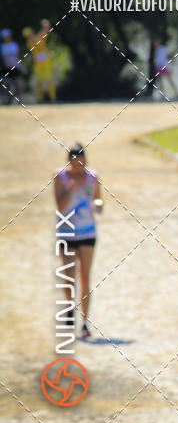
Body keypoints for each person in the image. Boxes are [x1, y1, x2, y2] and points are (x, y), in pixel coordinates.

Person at [54, 143, 102, 338]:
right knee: (68, 278)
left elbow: (99, 201)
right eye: (74, 165)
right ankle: (68, 310)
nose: (78, 169)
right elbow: (60, 205)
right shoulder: (60, 177)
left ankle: (84, 322)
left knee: (85, 278)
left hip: (88, 233)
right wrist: (72, 186)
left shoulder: (93, 177)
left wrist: (98, 206)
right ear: (69, 163)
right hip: (66, 233)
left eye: (81, 164)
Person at [26, 20, 56, 102]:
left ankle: (53, 99)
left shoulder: (39, 37)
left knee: (49, 81)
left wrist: (46, 26)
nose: (29, 35)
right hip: (38, 64)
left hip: (46, 62)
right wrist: (44, 27)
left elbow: (46, 32)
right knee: (39, 82)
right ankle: (40, 99)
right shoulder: (29, 42)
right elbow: (36, 39)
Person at [1, 29, 23, 103]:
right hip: (5, 68)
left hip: (15, 67)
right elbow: (3, 58)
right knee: (6, 83)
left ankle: (19, 100)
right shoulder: (2, 46)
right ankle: (7, 100)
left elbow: (17, 56)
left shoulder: (14, 45)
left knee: (17, 83)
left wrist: (19, 65)